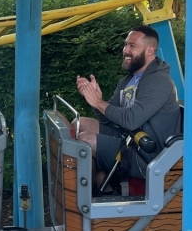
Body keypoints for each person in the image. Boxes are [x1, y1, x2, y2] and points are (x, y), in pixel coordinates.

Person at [75, 25, 181, 183]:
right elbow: (107, 120)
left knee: (84, 141)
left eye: (132, 46)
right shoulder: (129, 80)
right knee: (79, 123)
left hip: (148, 155)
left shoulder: (159, 82)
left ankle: (90, 196)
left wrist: (98, 102)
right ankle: (102, 181)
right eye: (125, 45)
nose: (125, 50)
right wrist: (96, 101)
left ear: (150, 50)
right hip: (129, 139)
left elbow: (131, 120)